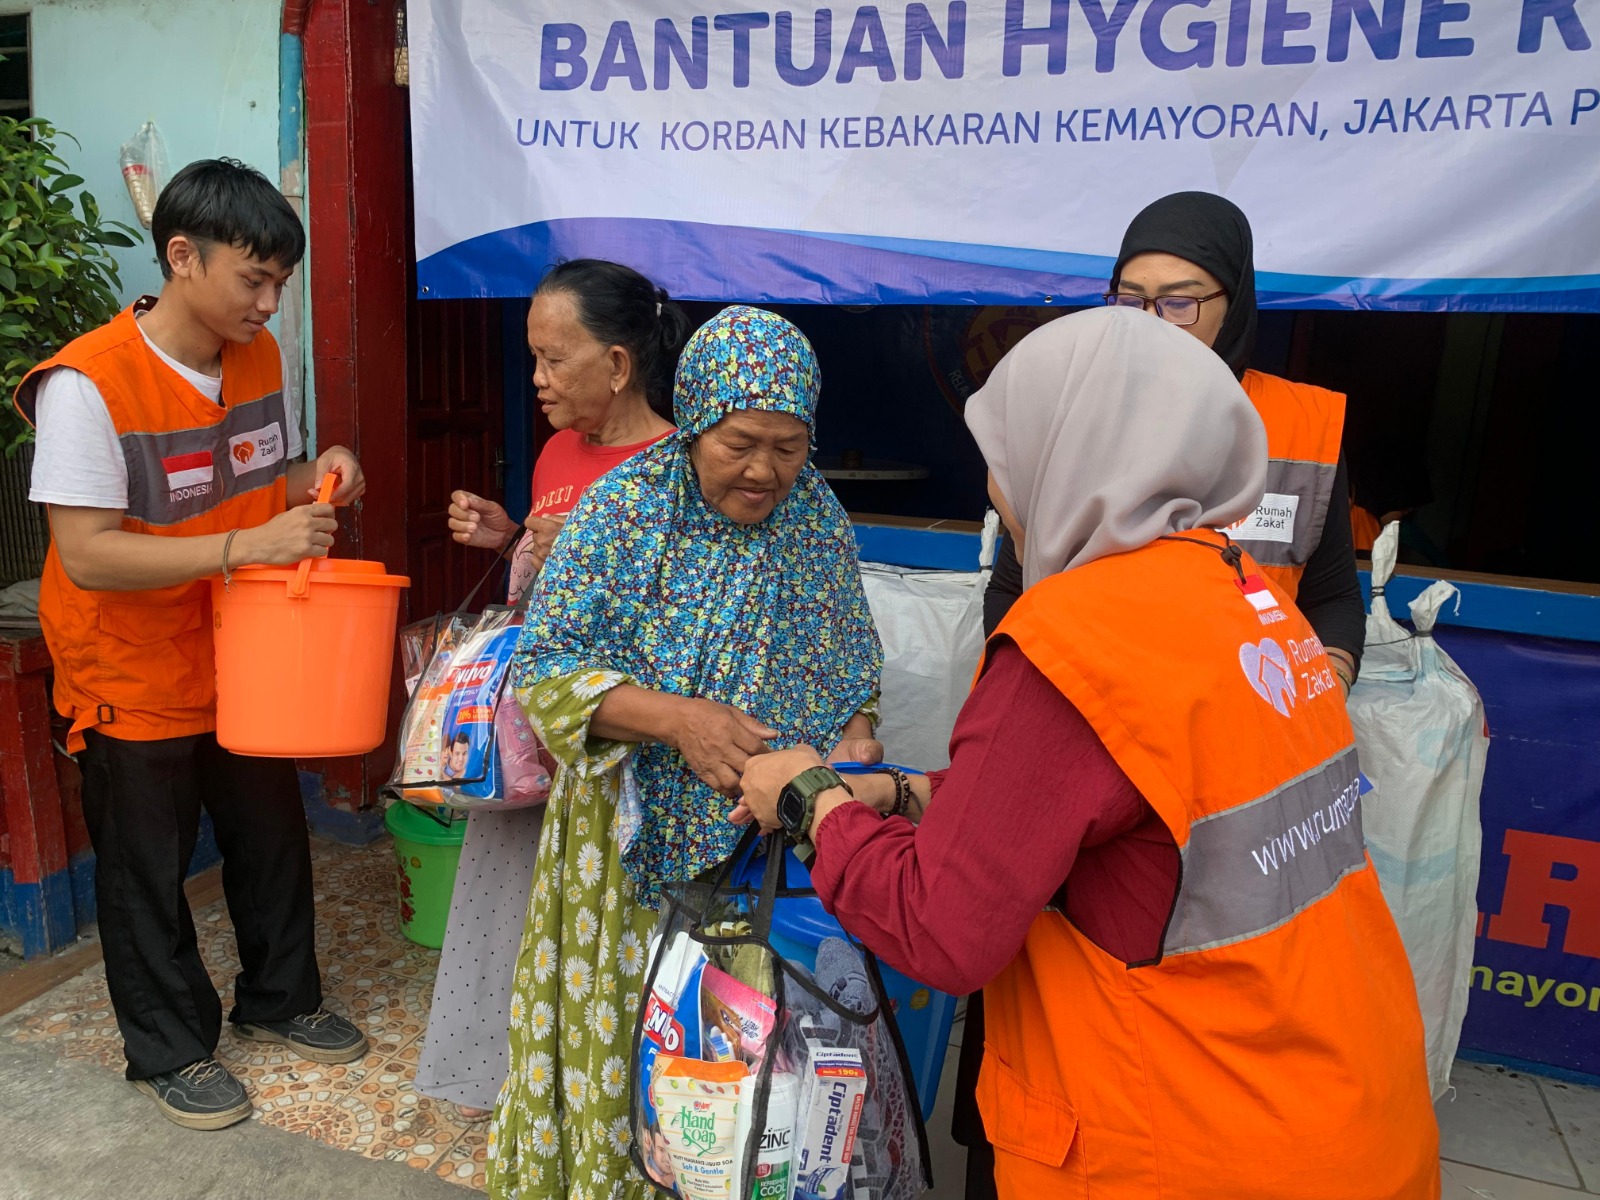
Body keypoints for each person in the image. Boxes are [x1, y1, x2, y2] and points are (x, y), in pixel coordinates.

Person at [734, 308, 1439, 1200]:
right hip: (1343, 1104)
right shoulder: (1249, 598)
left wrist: (809, 797)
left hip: (1185, 1142)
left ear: (1061, 454)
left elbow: (940, 929)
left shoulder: (1074, 644)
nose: (997, 488)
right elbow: (1129, 798)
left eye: (1004, 454)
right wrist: (908, 795)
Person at [965, 191, 1370, 1196]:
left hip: (1226, 764)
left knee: (1169, 993)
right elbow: (1013, 588)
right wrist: (1030, 703)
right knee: (1045, 985)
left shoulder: (1301, 425)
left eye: (1180, 300)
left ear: (1235, 304)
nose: (1152, 322)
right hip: (1084, 748)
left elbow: (1330, 589)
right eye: (1130, 298)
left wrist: (1314, 677)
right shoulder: (1086, 415)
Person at [486, 305, 884, 1199]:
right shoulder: (624, 512)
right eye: (741, 443)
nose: (765, 470)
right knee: (633, 1053)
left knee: (745, 1081)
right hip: (626, 860)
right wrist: (677, 721)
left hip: (769, 854)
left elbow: (852, 662)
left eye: (788, 447)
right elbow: (545, 673)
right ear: (696, 421)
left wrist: (855, 735)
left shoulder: (815, 518)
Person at [16, 159, 368, 1131]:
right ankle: (168, 1050)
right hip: (129, 668)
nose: (270, 303)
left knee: (270, 833)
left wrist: (321, 471)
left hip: (242, 650)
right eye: (254, 280)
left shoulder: (255, 356)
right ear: (182, 256)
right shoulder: (88, 385)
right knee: (145, 868)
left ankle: (281, 999)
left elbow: (253, 474)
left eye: (281, 283)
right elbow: (88, 554)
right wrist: (247, 548)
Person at [415, 259, 685, 1122]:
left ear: (618, 364)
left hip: (610, 744)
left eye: (553, 359)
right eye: (533, 357)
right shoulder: (560, 451)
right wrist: (512, 538)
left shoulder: (676, 468)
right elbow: (541, 591)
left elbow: (679, 624)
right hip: (530, 734)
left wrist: (587, 558)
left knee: (598, 924)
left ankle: (596, 1095)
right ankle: (505, 1074)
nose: (535, 378)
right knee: (508, 901)